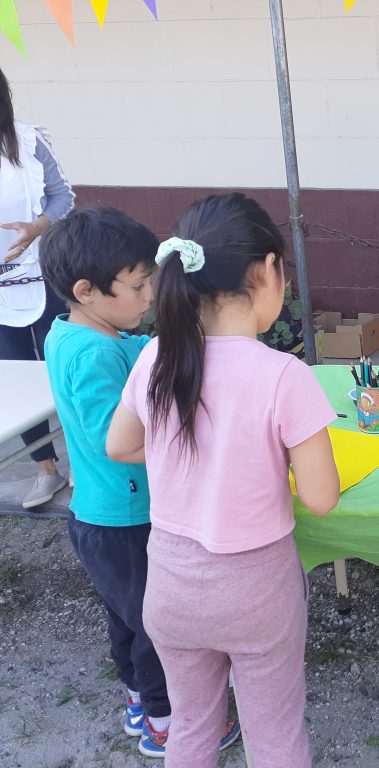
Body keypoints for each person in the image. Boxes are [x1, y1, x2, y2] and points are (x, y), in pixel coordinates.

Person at [106, 193, 340, 766]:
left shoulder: (155, 357)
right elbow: (321, 496)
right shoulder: (285, 375)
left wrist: (191, 461)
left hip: (170, 584)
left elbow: (120, 445)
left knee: (190, 731)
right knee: (275, 736)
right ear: (268, 271)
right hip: (257, 589)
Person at [38, 207, 173, 752]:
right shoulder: (95, 352)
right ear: (87, 290)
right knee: (157, 624)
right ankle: (167, 724)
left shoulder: (74, 334)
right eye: (139, 286)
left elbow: (134, 351)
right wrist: (185, 446)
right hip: (123, 517)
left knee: (127, 615)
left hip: (100, 514)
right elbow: (111, 443)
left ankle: (139, 700)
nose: (148, 297)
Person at [0, 65, 75, 508]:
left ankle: (85, 466)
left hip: (42, 278)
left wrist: (38, 226)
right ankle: (47, 470)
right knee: (17, 380)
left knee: (63, 369)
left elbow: (64, 196)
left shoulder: (28, 141)